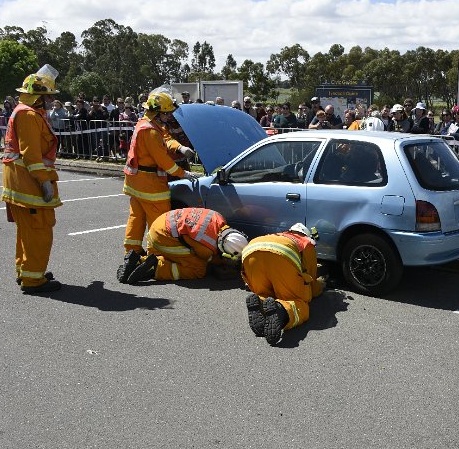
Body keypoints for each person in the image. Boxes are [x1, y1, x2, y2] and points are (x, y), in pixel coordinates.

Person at [119, 87, 199, 277]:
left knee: (136, 218)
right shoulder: (151, 132)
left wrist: (180, 147)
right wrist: (183, 174)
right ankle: (153, 258)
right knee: (159, 222)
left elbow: (166, 138)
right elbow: (163, 161)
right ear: (160, 112)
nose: (169, 116)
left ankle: (132, 253)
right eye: (167, 113)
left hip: (136, 183)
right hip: (150, 185)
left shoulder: (146, 124)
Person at [1, 64, 63, 293]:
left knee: (27, 232)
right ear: (37, 97)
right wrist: (44, 181)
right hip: (28, 183)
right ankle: (33, 280)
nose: (49, 102)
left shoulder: (25, 112)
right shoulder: (27, 115)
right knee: (39, 231)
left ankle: (27, 271)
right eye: (47, 98)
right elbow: (32, 155)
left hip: (22, 182)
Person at [241, 223, 325, 346]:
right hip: (281, 256)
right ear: (306, 234)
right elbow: (311, 276)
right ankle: (281, 311)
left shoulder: (280, 235)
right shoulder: (307, 242)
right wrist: (319, 288)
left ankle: (259, 302)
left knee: (266, 293)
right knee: (298, 301)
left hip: (250, 251)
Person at [120, 207, 248, 284]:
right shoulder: (207, 247)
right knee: (198, 268)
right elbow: (207, 258)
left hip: (161, 223)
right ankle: (156, 268)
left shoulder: (218, 217)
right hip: (162, 238)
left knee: (182, 254)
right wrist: (222, 263)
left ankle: (139, 261)